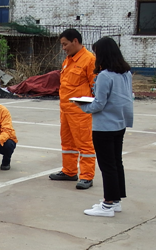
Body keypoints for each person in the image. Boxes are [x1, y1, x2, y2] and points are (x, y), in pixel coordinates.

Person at [77, 37, 133, 217]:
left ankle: (108, 205)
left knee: (107, 165)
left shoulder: (104, 76)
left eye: (96, 53)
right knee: (116, 163)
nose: (95, 57)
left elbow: (99, 104)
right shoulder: (126, 73)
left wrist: (82, 105)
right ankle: (115, 200)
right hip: (120, 124)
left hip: (104, 127)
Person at [49, 28, 96, 189]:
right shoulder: (68, 60)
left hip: (81, 112)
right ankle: (69, 171)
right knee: (67, 143)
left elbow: (95, 87)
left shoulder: (89, 60)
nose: (63, 48)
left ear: (75, 41)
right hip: (66, 110)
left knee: (85, 144)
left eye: (65, 44)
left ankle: (86, 176)